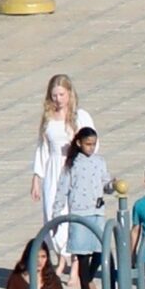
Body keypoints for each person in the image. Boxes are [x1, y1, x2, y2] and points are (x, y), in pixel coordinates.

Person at [31, 75, 94, 271]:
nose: (58, 99)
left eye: (61, 94)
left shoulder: (80, 116)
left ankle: (76, 263)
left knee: (73, 212)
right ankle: (61, 257)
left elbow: (92, 143)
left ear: (69, 94)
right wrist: (37, 177)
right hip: (53, 169)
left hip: (74, 167)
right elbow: (43, 148)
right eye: (54, 95)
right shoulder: (48, 118)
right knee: (53, 212)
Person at [52, 127, 111, 289]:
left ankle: (89, 278)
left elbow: (105, 183)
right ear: (79, 143)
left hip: (97, 210)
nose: (91, 148)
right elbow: (62, 189)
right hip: (79, 213)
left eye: (94, 144)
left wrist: (112, 185)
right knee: (82, 253)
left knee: (100, 250)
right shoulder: (72, 164)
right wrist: (57, 213)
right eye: (88, 144)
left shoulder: (99, 161)